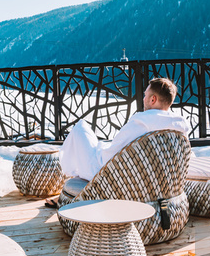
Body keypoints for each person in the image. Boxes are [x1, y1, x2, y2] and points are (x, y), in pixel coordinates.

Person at [46, 78, 190, 207]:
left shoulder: (140, 122)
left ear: (153, 99)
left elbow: (111, 155)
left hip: (113, 177)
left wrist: (100, 148)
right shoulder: (179, 129)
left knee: (80, 128)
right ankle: (69, 189)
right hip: (152, 183)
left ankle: (68, 187)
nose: (143, 98)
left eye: (145, 95)